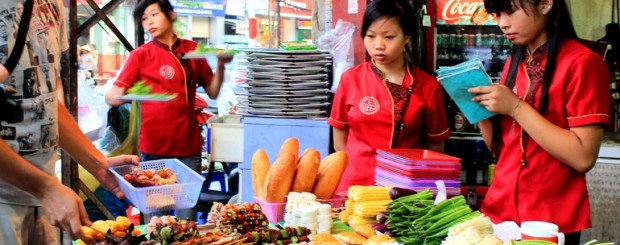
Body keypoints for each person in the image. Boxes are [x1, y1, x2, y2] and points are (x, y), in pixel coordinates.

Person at [468, 0, 610, 244]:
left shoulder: (583, 63)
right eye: (496, 13)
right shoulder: (515, 62)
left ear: (545, 4)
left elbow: (583, 157)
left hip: (549, 221)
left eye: (510, 11)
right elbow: (500, 151)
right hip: (500, 212)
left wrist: (515, 107)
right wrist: (477, 109)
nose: (502, 23)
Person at [0, 0, 139, 244]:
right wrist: (46, 189)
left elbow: (47, 101)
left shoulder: (50, 5)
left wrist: (97, 164)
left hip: (43, 200)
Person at [105, 0, 233, 221]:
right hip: (153, 149)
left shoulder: (192, 51)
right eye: (144, 19)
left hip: (188, 148)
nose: (149, 22)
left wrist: (221, 64)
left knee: (186, 221)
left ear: (171, 15)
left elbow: (212, 92)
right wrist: (132, 94)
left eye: (154, 14)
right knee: (156, 221)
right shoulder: (140, 55)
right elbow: (111, 96)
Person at [327, 0, 451, 193]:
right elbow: (339, 143)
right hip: (355, 187)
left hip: (406, 190)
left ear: (407, 37)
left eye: (389, 37)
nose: (378, 45)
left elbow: (435, 147)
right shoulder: (350, 80)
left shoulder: (428, 85)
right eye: (370, 36)